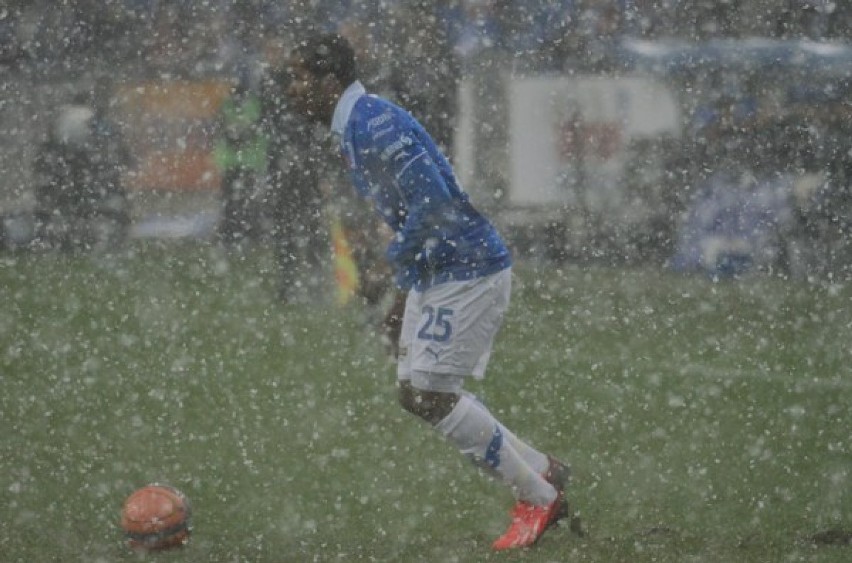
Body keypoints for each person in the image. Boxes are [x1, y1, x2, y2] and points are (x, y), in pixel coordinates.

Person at [285, 33, 581, 550]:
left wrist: (392, 266)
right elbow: (417, 210)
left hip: (466, 269)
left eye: (300, 78)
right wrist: (403, 292)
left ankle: (537, 495)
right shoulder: (357, 125)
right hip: (439, 271)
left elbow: (435, 202)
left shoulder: (372, 123)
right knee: (416, 392)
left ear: (329, 81)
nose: (291, 89)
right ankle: (543, 469)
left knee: (429, 394)